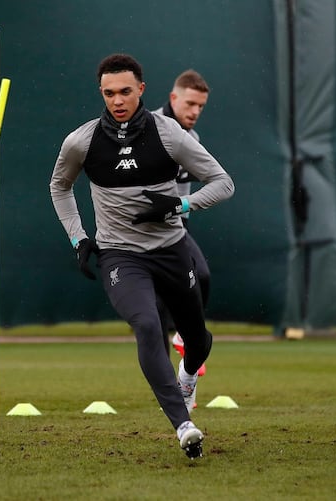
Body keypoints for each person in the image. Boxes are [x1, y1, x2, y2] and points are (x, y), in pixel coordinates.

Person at [49, 54, 234, 459]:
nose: (118, 100)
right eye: (109, 93)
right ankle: (183, 424)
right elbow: (59, 186)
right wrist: (79, 238)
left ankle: (188, 375)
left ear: (142, 91)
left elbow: (224, 182)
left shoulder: (170, 134)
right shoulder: (81, 141)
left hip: (171, 249)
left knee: (198, 341)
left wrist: (179, 207)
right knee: (148, 325)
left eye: (126, 92)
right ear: (101, 93)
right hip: (120, 255)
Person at [153, 69, 211, 374]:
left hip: (174, 228)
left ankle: (185, 336)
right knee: (155, 307)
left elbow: (184, 195)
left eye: (200, 106)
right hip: (139, 230)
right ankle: (166, 382)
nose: (195, 112)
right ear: (173, 98)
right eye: (190, 104)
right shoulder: (147, 127)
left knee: (201, 276)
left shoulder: (192, 138)